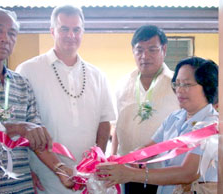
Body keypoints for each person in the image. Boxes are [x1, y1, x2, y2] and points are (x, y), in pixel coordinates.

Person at [16, 5, 116, 194]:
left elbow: (104, 122)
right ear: (52, 31)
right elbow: (21, 126)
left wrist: (96, 163)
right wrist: (26, 170)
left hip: (88, 180)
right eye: (64, 28)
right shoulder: (27, 71)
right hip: (45, 179)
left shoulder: (98, 75)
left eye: (76, 29)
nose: (71, 35)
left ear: (82, 32)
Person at [97, 57, 218, 194]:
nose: (179, 90)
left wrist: (130, 174)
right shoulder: (175, 118)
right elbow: (151, 148)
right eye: (177, 84)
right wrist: (129, 158)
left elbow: (188, 173)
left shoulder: (212, 126)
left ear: (208, 86)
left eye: (187, 84)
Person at [0, 8, 74, 193]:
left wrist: (60, 170)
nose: (5, 38)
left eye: (12, 33)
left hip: (23, 186)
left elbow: (36, 138)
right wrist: (17, 127)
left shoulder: (21, 83)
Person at [112, 25, 179, 193]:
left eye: (152, 49)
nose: (145, 56)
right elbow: (117, 129)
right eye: (139, 50)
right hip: (127, 172)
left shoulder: (177, 84)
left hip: (164, 174)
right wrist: (113, 158)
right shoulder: (123, 84)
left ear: (164, 49)